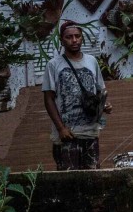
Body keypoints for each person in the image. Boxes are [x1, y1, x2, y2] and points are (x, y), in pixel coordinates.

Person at [42, 21, 113, 170]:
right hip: (67, 134)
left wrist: (103, 105)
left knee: (92, 176)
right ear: (62, 40)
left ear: (82, 38)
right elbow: (48, 98)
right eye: (69, 37)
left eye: (77, 36)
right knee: (68, 179)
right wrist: (61, 128)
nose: (74, 40)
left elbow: (100, 90)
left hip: (90, 132)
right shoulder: (53, 65)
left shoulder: (92, 61)